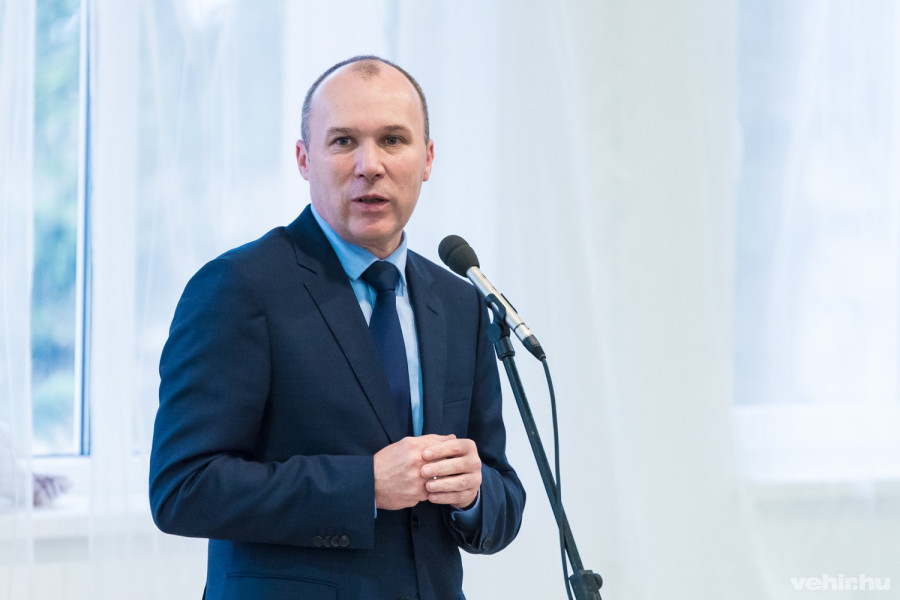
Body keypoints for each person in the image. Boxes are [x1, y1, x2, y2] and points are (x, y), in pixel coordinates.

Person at [149, 55, 526, 600]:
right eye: (344, 141)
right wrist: (364, 487)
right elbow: (183, 488)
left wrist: (473, 493)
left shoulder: (459, 302)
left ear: (427, 158)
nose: (370, 165)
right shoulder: (237, 287)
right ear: (304, 159)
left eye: (393, 140)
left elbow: (501, 499)